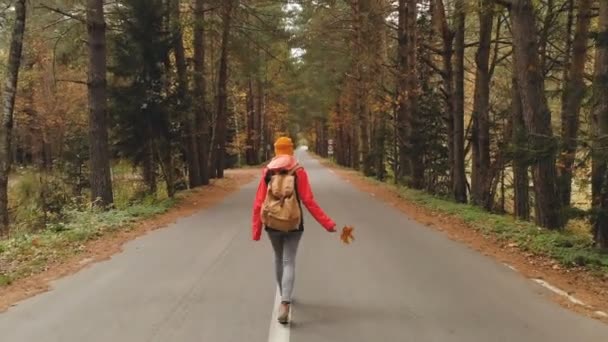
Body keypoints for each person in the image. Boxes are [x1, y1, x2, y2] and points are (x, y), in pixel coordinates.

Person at [252, 137, 336, 324]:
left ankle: (285, 297)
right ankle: (285, 301)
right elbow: (309, 201)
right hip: (294, 223)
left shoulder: (267, 171)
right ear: (290, 151)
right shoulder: (299, 172)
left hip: (272, 222)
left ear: (276, 151)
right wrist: (327, 223)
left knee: (277, 258)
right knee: (289, 260)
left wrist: (256, 230)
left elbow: (258, 203)